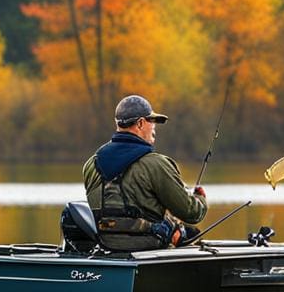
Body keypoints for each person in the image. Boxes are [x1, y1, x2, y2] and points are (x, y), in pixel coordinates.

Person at [83, 94, 207, 248]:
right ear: (141, 123)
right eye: (152, 121)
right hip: (148, 247)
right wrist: (200, 199)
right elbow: (191, 213)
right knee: (190, 232)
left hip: (106, 245)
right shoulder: (157, 164)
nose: (155, 127)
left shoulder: (91, 164)